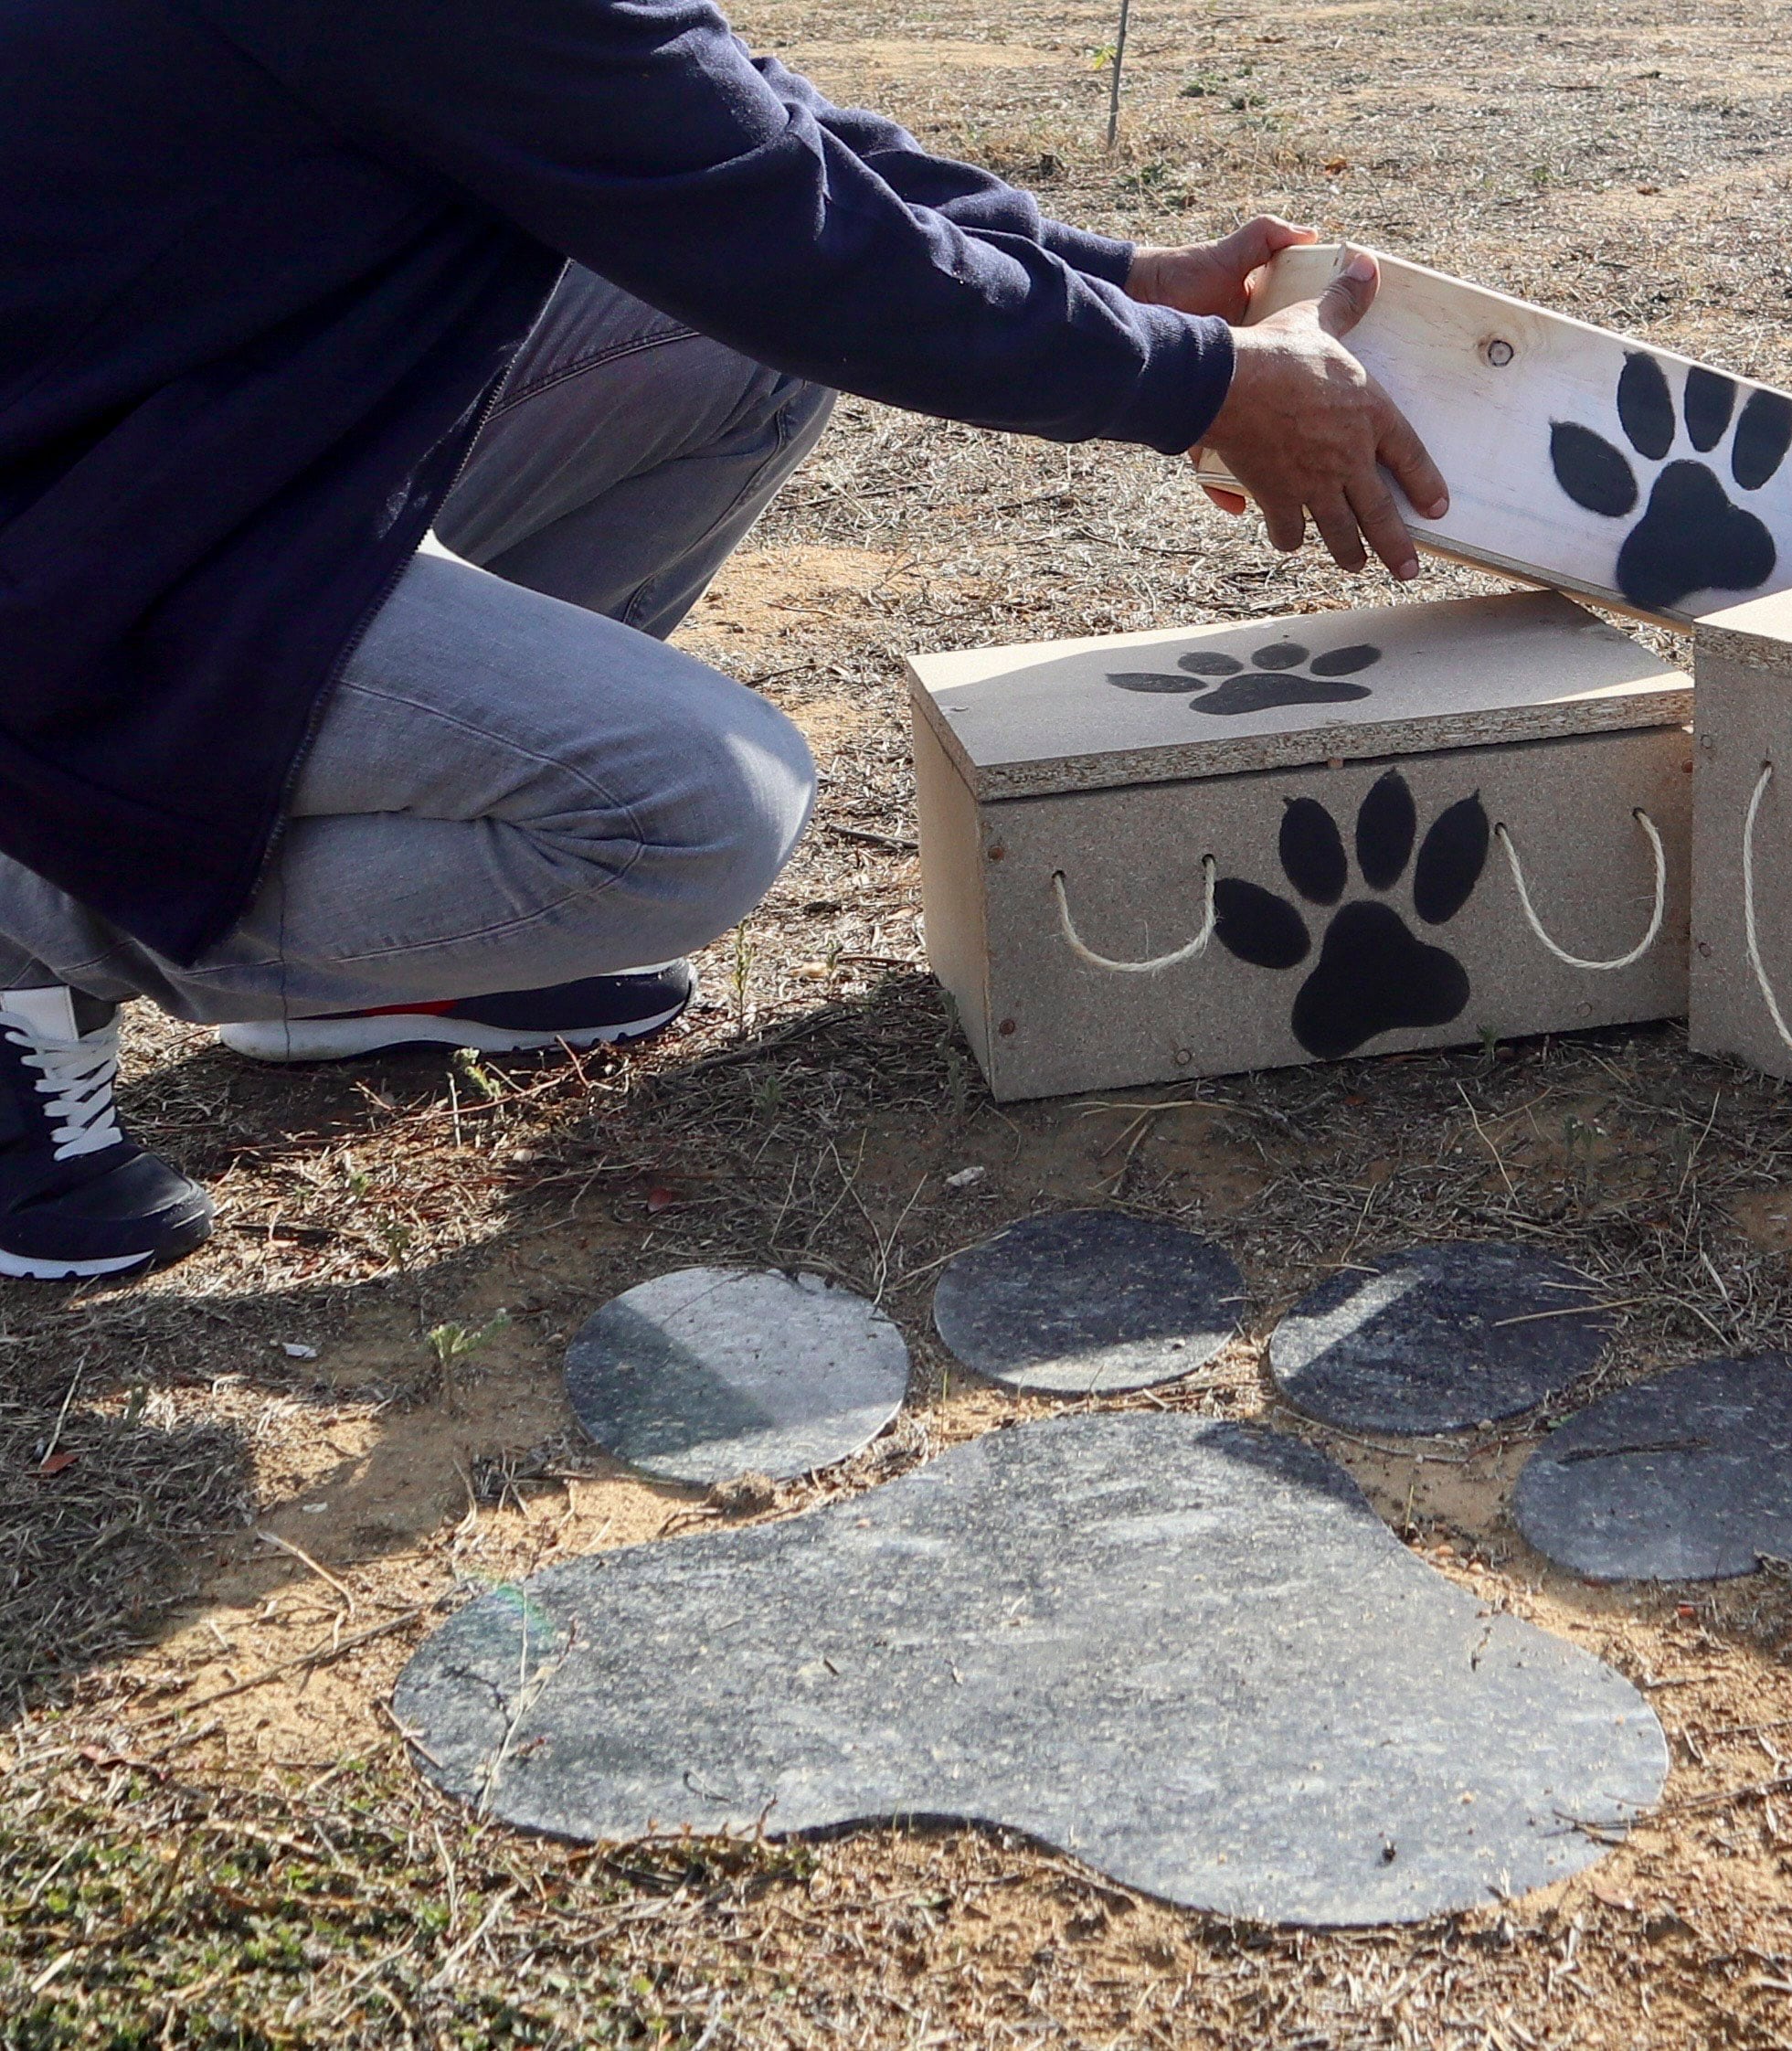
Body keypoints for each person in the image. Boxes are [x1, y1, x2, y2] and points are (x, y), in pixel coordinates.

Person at [0, 1, 1446, 1281]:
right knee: (689, 814)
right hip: (78, 532)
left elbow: (726, 119)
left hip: (197, 434)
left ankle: (389, 954)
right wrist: (1199, 384)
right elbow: (784, 232)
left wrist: (1107, 276)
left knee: (717, 338)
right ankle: (38, 902)